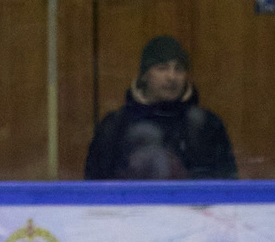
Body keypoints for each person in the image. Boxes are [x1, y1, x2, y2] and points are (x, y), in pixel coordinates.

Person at [84, 35, 238, 180]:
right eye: (162, 68)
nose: (171, 77)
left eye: (178, 69)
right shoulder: (116, 125)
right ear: (144, 75)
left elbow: (227, 182)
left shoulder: (206, 125)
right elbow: (96, 186)